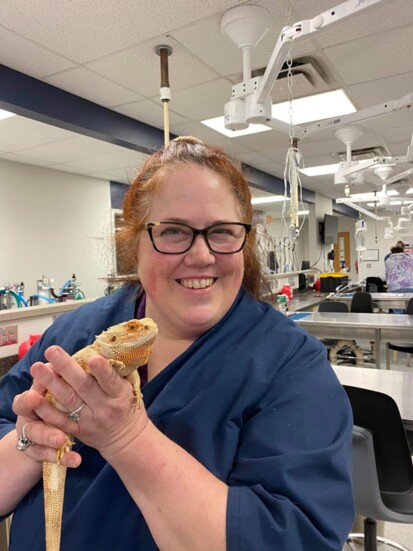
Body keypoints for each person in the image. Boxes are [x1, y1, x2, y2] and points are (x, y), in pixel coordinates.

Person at [0, 137, 354, 550]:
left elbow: (293, 537)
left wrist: (126, 437)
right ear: (136, 242)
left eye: (221, 232)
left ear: (245, 241)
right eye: (172, 231)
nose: (201, 255)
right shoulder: (74, 335)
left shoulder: (289, 367)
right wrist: (31, 442)